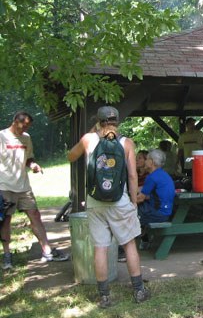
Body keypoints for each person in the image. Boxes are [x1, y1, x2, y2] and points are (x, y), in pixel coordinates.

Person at [67, 106, 150, 307]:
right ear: (117, 122)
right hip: (120, 201)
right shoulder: (127, 143)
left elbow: (71, 156)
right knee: (129, 244)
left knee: (100, 248)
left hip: (95, 201)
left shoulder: (89, 139)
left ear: (99, 121)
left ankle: (104, 296)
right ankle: (139, 290)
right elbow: (132, 175)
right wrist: (132, 201)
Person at [0, 111, 70, 270]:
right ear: (14, 121)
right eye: (22, 125)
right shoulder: (2, 137)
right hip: (4, 186)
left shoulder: (26, 138)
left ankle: (47, 251)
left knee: (35, 215)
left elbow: (28, 158)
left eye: (27, 126)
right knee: (6, 220)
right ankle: (7, 256)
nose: (24, 129)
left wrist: (33, 165)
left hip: (23, 186)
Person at [136, 149, 175, 249]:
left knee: (129, 215)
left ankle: (122, 249)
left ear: (152, 162)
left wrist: (124, 204)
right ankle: (144, 240)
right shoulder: (162, 174)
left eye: (147, 159)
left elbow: (140, 198)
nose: (145, 161)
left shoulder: (152, 177)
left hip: (159, 214)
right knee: (136, 210)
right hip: (166, 212)